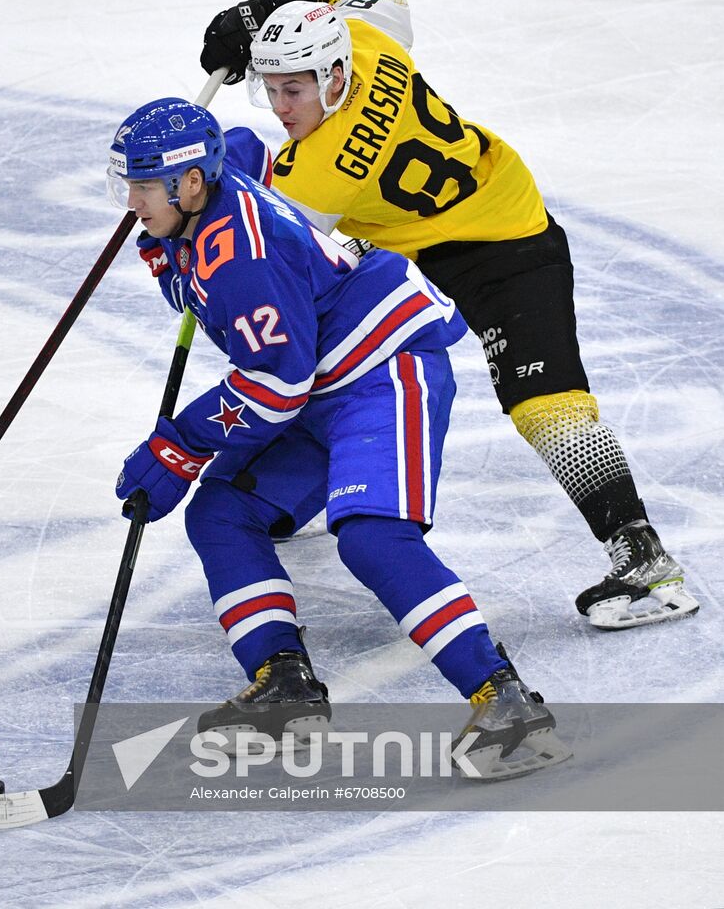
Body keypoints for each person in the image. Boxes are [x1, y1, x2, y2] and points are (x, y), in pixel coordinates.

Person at [198, 0, 700, 632]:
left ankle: (644, 559)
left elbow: (267, 254)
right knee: (344, 345)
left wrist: (192, 188)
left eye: (294, 89)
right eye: (271, 88)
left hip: (503, 245)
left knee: (541, 403)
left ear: (333, 77)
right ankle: (296, 487)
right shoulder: (372, 42)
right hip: (428, 246)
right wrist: (270, 12)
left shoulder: (317, 176)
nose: (282, 106)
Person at [108, 97, 571, 779]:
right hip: (321, 378)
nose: (132, 202)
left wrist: (181, 442)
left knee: (370, 534)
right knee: (223, 509)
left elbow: (274, 387)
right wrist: (169, 234)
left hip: (383, 368)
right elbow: (242, 144)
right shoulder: (211, 186)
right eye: (129, 183)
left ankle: (507, 703)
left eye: (145, 186)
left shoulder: (243, 262)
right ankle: (283, 686)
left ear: (190, 185)